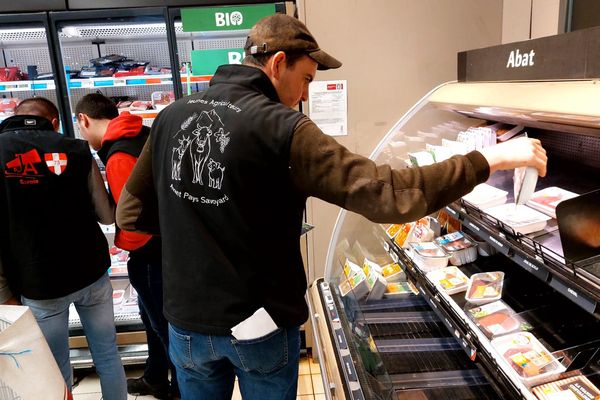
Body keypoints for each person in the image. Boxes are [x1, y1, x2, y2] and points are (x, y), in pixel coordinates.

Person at [116, 14, 548, 400]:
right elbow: (389, 194)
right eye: (305, 79)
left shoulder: (173, 116)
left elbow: (132, 214)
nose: (305, 94)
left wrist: (198, 227)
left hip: (187, 325)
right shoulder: (283, 128)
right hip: (260, 324)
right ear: (278, 63)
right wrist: (488, 159)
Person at [0, 97, 127, 400]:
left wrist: (4, 292)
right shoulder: (77, 150)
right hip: (91, 273)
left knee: (55, 366)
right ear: (54, 122)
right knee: (107, 353)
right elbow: (108, 215)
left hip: (38, 282)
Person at [75, 93, 179, 399]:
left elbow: (131, 214)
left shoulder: (118, 154)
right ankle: (156, 377)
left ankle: (181, 388)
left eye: (80, 127)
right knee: (152, 320)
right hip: (166, 247)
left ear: (84, 120)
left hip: (149, 253)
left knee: (162, 325)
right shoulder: (142, 133)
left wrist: (127, 244)